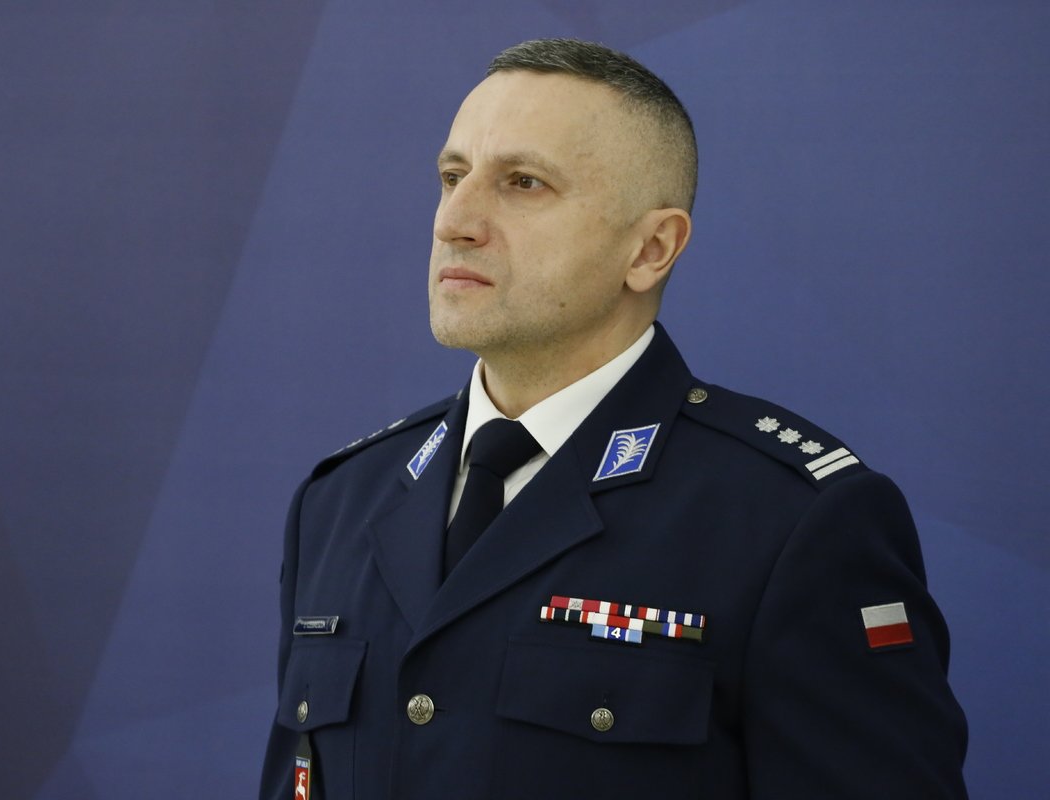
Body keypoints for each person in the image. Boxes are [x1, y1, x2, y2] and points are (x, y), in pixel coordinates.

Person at [260, 38, 968, 799]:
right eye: (453, 176)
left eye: (523, 183)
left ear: (651, 248)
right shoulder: (341, 501)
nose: (455, 221)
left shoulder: (790, 521)